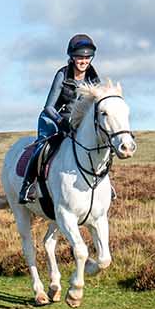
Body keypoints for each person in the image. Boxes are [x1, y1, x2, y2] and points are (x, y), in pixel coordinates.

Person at [19, 33, 101, 204]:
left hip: (78, 123)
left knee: (98, 146)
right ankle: (28, 186)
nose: (83, 61)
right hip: (54, 119)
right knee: (44, 147)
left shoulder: (94, 78)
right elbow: (48, 106)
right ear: (71, 57)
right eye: (79, 57)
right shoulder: (62, 75)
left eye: (87, 57)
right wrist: (61, 123)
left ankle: (103, 184)